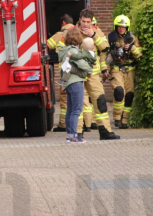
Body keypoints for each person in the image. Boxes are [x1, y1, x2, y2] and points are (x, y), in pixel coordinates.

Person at [77, 9, 120, 140]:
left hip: (93, 74)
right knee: (78, 103)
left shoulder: (96, 30)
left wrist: (94, 35)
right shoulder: (72, 31)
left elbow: (105, 49)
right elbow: (61, 49)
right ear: (79, 20)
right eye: (83, 21)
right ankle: (77, 132)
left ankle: (105, 131)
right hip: (77, 73)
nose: (85, 24)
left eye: (88, 22)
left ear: (92, 21)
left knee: (100, 101)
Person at [58, 28, 94, 143]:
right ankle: (74, 135)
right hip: (76, 82)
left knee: (70, 110)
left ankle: (69, 135)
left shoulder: (65, 50)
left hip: (68, 83)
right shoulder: (74, 51)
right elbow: (82, 64)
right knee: (76, 110)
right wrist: (90, 71)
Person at [108, 15, 142, 129]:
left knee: (129, 95)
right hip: (117, 68)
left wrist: (132, 48)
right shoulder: (111, 38)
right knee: (119, 92)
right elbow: (106, 55)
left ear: (127, 27)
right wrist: (105, 71)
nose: (121, 29)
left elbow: (139, 55)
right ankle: (117, 118)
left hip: (130, 70)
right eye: (119, 27)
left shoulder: (132, 38)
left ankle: (125, 120)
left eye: (123, 27)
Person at [47, 14, 76, 132]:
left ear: (63, 23)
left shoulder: (61, 34)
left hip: (66, 72)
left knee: (65, 97)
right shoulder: (79, 32)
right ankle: (87, 123)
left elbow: (47, 45)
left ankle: (63, 124)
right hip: (79, 71)